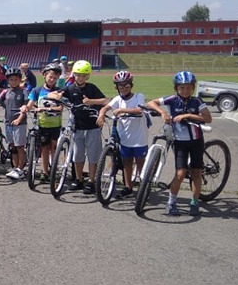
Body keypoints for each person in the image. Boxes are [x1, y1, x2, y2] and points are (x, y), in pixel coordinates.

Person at [146, 71, 212, 216]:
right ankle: (171, 202)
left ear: (193, 87)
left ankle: (194, 202)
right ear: (176, 88)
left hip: (196, 141)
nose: (185, 90)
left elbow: (208, 118)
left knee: (196, 172)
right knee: (180, 173)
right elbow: (151, 103)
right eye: (182, 88)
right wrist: (163, 112)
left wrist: (188, 115)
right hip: (180, 142)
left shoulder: (197, 101)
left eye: (188, 87)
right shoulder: (172, 99)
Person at [47, 60, 107, 194]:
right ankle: (79, 180)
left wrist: (91, 101)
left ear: (87, 76)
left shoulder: (92, 88)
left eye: (83, 75)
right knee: (78, 156)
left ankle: (91, 181)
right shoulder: (70, 88)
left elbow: (106, 101)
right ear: (74, 75)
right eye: (78, 75)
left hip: (92, 127)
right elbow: (51, 94)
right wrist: (57, 95)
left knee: (93, 156)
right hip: (77, 127)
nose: (80, 78)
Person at [96, 71, 148, 198]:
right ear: (117, 87)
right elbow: (105, 107)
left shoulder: (138, 96)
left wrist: (121, 110)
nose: (124, 88)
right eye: (121, 86)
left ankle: (144, 187)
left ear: (131, 85)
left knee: (140, 162)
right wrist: (101, 115)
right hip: (125, 137)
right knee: (127, 162)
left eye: (126, 85)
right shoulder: (117, 99)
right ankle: (128, 187)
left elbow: (139, 110)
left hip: (139, 137)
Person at [24, 63, 63, 181]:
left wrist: (45, 109)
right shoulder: (37, 90)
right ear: (44, 76)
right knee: (44, 149)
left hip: (55, 125)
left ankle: (54, 171)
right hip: (43, 124)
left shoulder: (59, 91)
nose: (52, 80)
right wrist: (26, 108)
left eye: (55, 78)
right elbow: (30, 104)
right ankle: (44, 172)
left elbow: (60, 108)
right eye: (50, 77)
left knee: (53, 148)